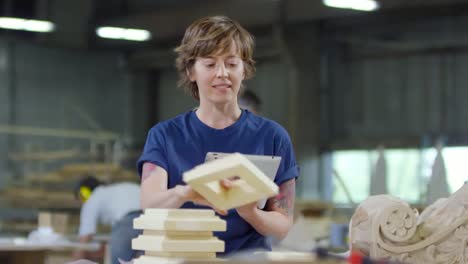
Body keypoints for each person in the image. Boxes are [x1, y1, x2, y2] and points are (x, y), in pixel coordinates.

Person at [137, 15, 299, 256]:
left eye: (232, 63)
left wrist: (250, 212)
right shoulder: (164, 135)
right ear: (191, 71)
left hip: (248, 259)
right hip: (184, 257)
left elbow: (282, 226)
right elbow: (149, 203)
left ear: (244, 70)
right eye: (210, 64)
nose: (222, 73)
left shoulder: (273, 136)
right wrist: (183, 192)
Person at [73, 176, 142, 264]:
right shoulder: (113, 191)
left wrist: (75, 259)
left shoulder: (93, 198)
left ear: (84, 193)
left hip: (128, 222)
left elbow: (85, 236)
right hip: (152, 219)